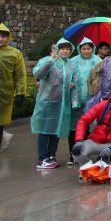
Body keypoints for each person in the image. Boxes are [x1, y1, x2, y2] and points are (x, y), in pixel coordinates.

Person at [31, 38, 76, 168]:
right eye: (62, 48)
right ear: (56, 49)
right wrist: (51, 61)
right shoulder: (47, 60)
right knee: (44, 130)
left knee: (56, 130)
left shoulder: (69, 64)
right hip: (47, 102)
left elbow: (67, 79)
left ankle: (51, 155)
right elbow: (38, 73)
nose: (65, 51)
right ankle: (42, 158)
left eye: (68, 49)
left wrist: (69, 85)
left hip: (61, 104)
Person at [72, 84, 111, 170]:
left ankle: (110, 167)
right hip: (96, 141)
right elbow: (83, 121)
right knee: (76, 151)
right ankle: (89, 168)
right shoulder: (103, 105)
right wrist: (79, 140)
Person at [66, 37, 100, 164]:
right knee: (74, 128)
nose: (86, 51)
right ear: (80, 49)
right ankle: (72, 153)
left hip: (92, 99)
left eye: (88, 49)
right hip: (76, 99)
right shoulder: (73, 61)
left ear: (93, 49)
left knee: (89, 128)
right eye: (83, 49)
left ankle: (85, 153)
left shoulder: (98, 61)